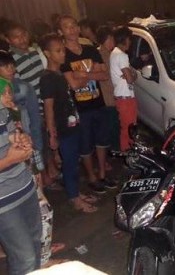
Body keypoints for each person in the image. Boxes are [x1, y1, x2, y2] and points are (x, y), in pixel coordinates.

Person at [39, 33, 98, 213]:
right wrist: (53, 134)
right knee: (70, 164)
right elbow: (48, 108)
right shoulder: (48, 78)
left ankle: (76, 193)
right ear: (47, 54)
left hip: (73, 124)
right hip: (63, 128)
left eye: (63, 49)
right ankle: (74, 199)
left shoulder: (59, 74)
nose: (63, 53)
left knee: (73, 162)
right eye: (58, 51)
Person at [57, 15, 116, 194]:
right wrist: (91, 73)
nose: (72, 29)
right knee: (85, 145)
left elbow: (104, 75)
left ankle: (103, 175)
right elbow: (73, 85)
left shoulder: (90, 49)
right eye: (67, 27)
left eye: (74, 25)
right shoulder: (62, 54)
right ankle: (91, 177)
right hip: (79, 109)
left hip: (98, 103)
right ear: (61, 32)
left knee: (102, 141)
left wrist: (83, 75)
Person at [4, 21, 61, 189]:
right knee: (37, 141)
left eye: (23, 35)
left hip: (44, 102)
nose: (21, 39)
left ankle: (51, 170)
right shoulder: (12, 60)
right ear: (8, 40)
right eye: (16, 37)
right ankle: (44, 177)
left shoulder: (34, 54)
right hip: (30, 109)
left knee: (46, 137)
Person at [0, 77, 41, 275]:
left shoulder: (4, 112)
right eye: (5, 92)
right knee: (25, 258)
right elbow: (8, 157)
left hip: (24, 186)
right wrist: (8, 160)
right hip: (3, 201)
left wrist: (21, 139)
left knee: (36, 247)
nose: (9, 96)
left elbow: (10, 136)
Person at [110, 26, 137, 152]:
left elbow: (128, 76)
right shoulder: (122, 56)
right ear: (124, 39)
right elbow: (131, 78)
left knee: (125, 128)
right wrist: (132, 74)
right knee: (129, 128)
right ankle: (129, 155)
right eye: (129, 39)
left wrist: (129, 74)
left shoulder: (114, 53)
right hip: (126, 98)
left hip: (120, 96)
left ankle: (127, 153)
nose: (130, 42)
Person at [96, 25, 120, 151]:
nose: (112, 42)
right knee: (111, 127)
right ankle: (113, 152)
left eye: (112, 39)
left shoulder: (110, 53)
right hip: (107, 98)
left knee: (113, 126)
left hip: (110, 96)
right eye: (109, 39)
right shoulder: (101, 55)